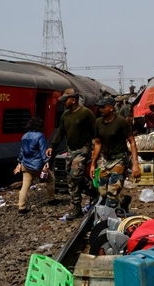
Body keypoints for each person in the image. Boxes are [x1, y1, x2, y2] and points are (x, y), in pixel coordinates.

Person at [46, 88, 96, 218]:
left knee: (75, 175)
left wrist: (96, 149)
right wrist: (52, 146)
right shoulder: (65, 116)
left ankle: (92, 190)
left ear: (73, 100)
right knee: (71, 180)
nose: (63, 103)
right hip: (70, 150)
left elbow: (95, 131)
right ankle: (77, 207)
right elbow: (60, 133)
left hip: (83, 149)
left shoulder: (86, 113)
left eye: (65, 100)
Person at [91, 97, 141, 210]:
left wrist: (135, 164)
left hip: (119, 159)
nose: (100, 110)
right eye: (100, 107)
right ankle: (123, 200)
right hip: (106, 160)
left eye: (103, 107)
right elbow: (98, 144)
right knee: (103, 192)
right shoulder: (98, 122)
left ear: (111, 108)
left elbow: (132, 142)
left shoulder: (121, 121)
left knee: (112, 193)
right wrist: (93, 164)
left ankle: (109, 219)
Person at [14, 117, 58, 215]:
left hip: (25, 165)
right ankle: (51, 199)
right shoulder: (40, 136)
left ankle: (21, 208)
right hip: (37, 165)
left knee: (25, 186)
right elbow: (43, 151)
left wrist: (19, 162)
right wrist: (46, 162)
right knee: (51, 180)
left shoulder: (24, 136)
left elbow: (21, 151)